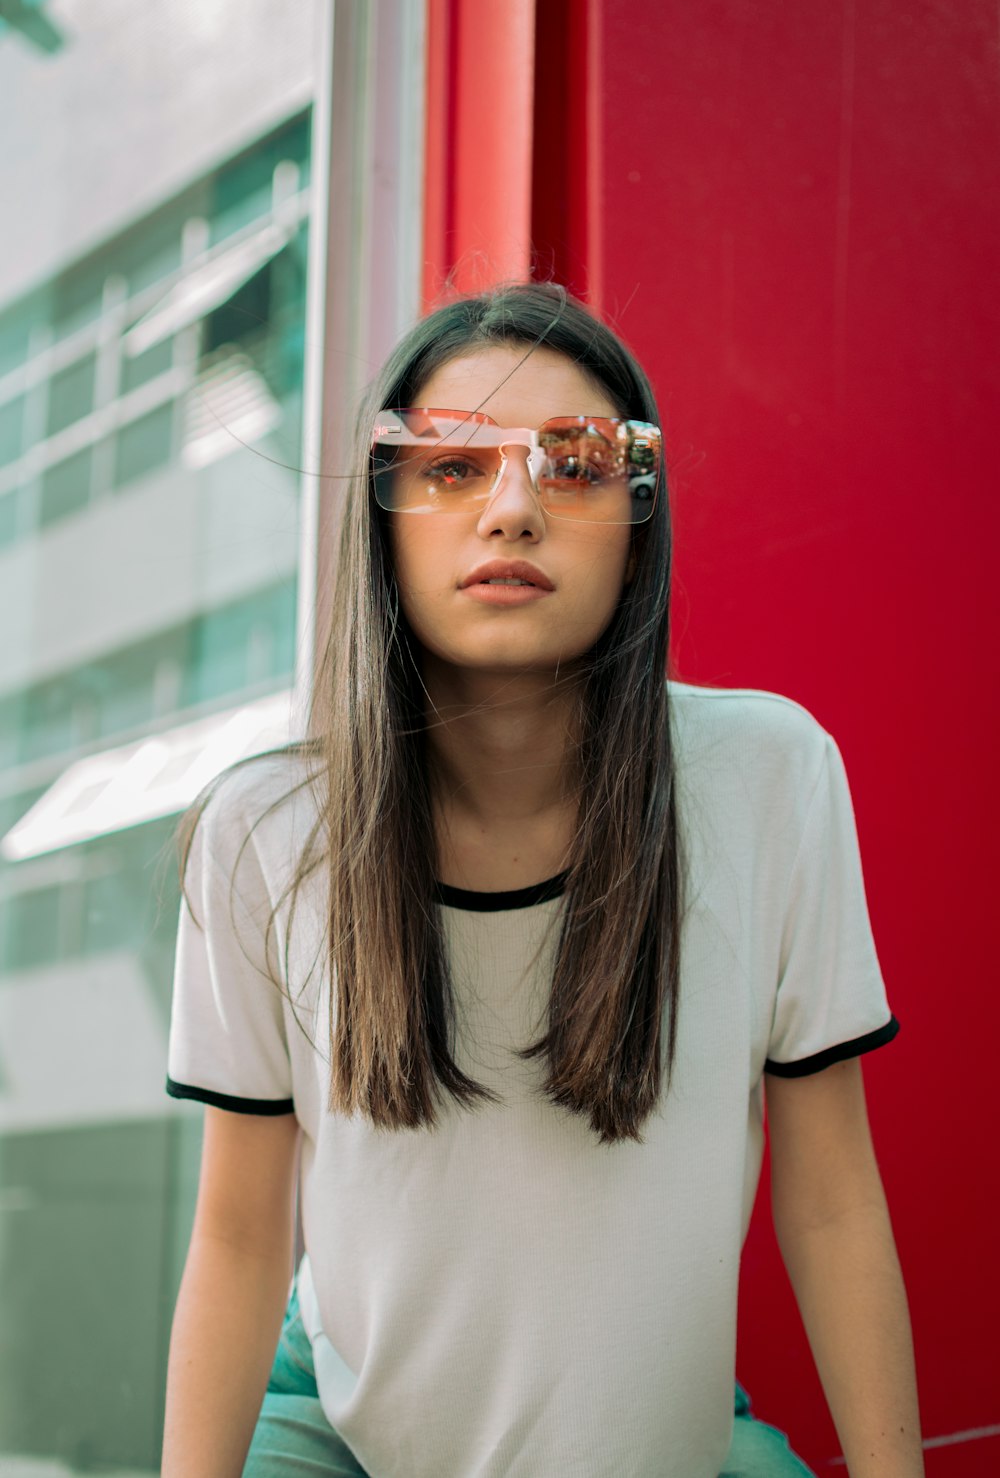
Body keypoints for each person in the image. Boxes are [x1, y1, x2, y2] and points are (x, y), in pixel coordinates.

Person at [159, 282, 924, 1478]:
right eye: (453, 468)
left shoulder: (771, 777)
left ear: (637, 518)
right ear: (382, 513)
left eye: (573, 464)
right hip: (344, 1411)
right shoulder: (265, 828)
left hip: (650, 1415)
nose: (511, 508)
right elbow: (241, 1232)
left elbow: (830, 1202)